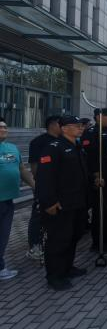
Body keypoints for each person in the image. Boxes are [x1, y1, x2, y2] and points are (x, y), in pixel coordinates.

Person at [36, 115, 88, 290]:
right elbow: (44, 178)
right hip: (60, 204)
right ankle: (55, 276)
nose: (80, 128)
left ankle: (67, 267)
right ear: (64, 128)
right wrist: (49, 202)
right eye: (76, 125)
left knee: (73, 236)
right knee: (58, 240)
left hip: (77, 202)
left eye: (80, 125)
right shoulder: (53, 148)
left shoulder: (77, 146)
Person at [0, 117, 35, 280]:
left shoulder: (12, 148)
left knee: (3, 235)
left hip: (8, 199)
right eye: (0, 127)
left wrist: (35, 186)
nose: (3, 129)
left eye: (5, 127)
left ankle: (1, 267)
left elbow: (22, 170)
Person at [81, 108, 107, 253]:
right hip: (99, 176)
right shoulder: (91, 133)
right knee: (100, 211)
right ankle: (98, 242)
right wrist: (96, 175)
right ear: (98, 117)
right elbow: (90, 156)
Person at [27, 115, 61, 261]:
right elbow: (35, 167)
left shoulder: (63, 141)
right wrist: (40, 184)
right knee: (39, 215)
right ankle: (35, 246)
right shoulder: (38, 142)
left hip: (61, 187)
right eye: (60, 124)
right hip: (44, 186)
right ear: (52, 125)